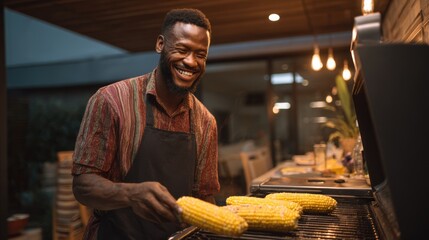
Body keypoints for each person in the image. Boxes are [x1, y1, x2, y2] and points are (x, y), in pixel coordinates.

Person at [71, 8, 220, 240]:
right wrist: (132, 194)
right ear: (160, 44)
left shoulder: (206, 122)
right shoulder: (111, 100)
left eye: (200, 54)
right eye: (182, 49)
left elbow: (205, 198)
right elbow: (82, 186)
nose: (191, 62)